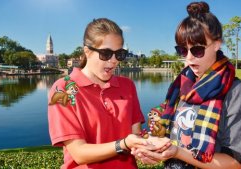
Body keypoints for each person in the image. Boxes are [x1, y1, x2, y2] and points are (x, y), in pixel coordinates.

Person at [132, 2, 241, 169]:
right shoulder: (182, 86)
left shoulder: (236, 93)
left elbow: (235, 162)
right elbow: (175, 137)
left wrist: (177, 152)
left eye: (197, 50)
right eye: (183, 50)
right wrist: (153, 149)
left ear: (217, 44)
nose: (189, 58)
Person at [48, 18, 169, 169]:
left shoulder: (128, 86)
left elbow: (135, 135)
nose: (113, 61)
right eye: (106, 53)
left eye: (119, 54)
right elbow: (79, 153)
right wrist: (123, 144)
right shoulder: (63, 89)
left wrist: (148, 147)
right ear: (87, 51)